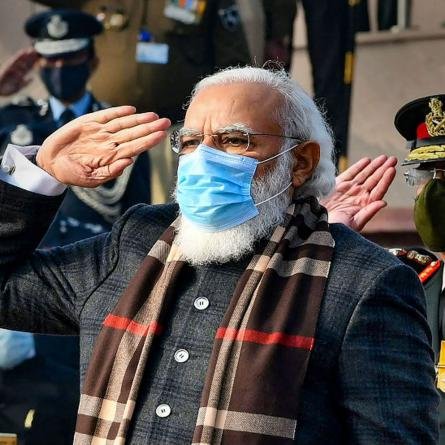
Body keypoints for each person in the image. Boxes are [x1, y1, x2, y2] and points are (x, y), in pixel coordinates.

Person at [0, 67, 439, 444]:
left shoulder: (363, 281)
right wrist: (41, 174)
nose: (204, 159)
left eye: (234, 140)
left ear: (301, 162)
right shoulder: (136, 241)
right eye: (191, 142)